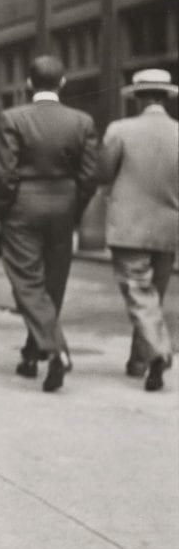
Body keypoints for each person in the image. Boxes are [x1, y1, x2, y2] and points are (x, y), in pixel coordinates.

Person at [0, 55, 99, 392]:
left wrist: (2, 208)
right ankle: (33, 354)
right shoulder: (82, 122)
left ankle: (54, 347)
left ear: (29, 84)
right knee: (53, 283)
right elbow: (90, 176)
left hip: (23, 207)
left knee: (27, 281)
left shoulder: (13, 118)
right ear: (63, 83)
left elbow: (6, 172)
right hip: (64, 206)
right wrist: (75, 207)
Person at [99, 68, 179, 391]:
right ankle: (138, 362)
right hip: (168, 228)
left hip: (129, 226)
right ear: (164, 98)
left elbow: (104, 172)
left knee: (138, 293)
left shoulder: (120, 129)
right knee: (152, 297)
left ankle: (158, 353)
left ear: (139, 97)